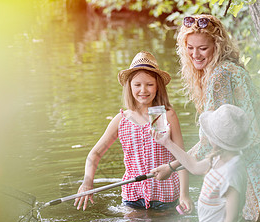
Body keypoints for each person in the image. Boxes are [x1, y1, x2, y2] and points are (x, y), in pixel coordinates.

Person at [152, 15, 260, 222]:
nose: (195, 54)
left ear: (217, 46)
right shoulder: (228, 68)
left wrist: (171, 166)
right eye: (190, 47)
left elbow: (212, 142)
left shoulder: (220, 76)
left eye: (202, 48)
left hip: (252, 169)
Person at [74, 51, 191, 211]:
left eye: (149, 84)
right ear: (129, 86)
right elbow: (94, 154)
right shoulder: (121, 119)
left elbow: (182, 156)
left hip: (166, 195)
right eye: (137, 85)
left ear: (158, 86)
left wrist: (184, 194)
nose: (143, 90)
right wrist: (88, 182)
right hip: (132, 198)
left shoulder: (167, 115)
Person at [151, 104, 253, 222]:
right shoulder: (220, 157)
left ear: (217, 141)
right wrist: (167, 143)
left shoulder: (232, 172)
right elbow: (194, 167)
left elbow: (231, 220)